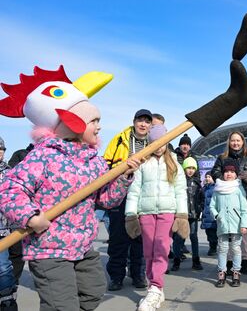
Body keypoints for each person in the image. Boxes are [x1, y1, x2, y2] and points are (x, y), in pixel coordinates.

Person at [0, 66, 140, 310]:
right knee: (61, 305)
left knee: (94, 291)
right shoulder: (43, 155)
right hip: (48, 249)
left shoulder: (95, 160)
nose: (99, 127)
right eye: (94, 121)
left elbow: (106, 200)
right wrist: (30, 217)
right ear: (72, 122)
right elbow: (10, 190)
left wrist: (122, 178)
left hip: (83, 245)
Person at [124, 124, 189, 311]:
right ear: (150, 142)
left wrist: (182, 216)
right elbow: (134, 190)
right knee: (148, 251)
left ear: (167, 142)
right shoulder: (143, 163)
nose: (159, 146)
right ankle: (156, 288)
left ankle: (155, 287)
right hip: (145, 212)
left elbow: (180, 192)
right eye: (154, 142)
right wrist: (130, 215)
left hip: (167, 211)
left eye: (162, 142)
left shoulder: (174, 163)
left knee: (161, 249)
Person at [104, 109, 153, 291]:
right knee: (118, 237)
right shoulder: (119, 139)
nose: (143, 124)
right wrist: (126, 166)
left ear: (150, 125)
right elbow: (106, 164)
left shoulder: (155, 142)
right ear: (134, 121)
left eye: (147, 122)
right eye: (140, 120)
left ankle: (138, 275)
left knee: (140, 238)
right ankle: (116, 276)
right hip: (121, 192)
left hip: (143, 195)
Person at [211, 131, 247, 275]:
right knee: (227, 229)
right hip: (227, 198)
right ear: (229, 142)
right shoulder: (222, 158)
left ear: (243, 142)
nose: (235, 143)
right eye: (233, 140)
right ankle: (228, 261)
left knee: (245, 229)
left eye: (238, 140)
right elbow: (214, 172)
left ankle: (245, 260)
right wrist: (229, 179)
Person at [210, 159, 247, 287]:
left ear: (236, 174)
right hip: (222, 225)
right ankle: (222, 273)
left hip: (236, 225)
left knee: (236, 249)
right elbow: (212, 206)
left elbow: (244, 209)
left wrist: (244, 224)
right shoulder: (218, 189)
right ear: (223, 173)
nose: (229, 174)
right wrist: (217, 215)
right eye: (226, 171)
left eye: (232, 171)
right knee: (222, 249)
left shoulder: (238, 189)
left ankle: (236, 273)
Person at [7, 143, 34, 286]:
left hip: (21, 218)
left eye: (2, 149)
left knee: (18, 252)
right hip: (15, 215)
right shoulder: (21, 155)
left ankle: (13, 282)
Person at [172, 157, 203, 271]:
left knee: (194, 237)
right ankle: (176, 260)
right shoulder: (179, 182)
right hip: (182, 215)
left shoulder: (197, 183)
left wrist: (200, 209)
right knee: (179, 238)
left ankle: (196, 260)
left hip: (194, 215)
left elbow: (201, 198)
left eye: (193, 168)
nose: (190, 170)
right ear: (184, 168)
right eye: (188, 168)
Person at [0, 137, 18, 311]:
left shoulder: (10, 171)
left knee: (4, 266)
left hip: (5, 227)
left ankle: (7, 300)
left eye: (1, 149)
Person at [200, 171, 218, 256]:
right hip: (206, 214)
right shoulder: (205, 188)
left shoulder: (216, 188)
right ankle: (212, 247)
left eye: (209, 177)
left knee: (214, 233)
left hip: (212, 214)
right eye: (206, 177)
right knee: (209, 233)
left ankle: (213, 248)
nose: (207, 178)